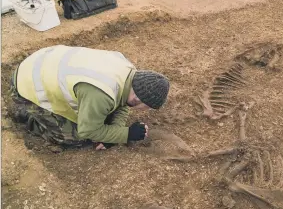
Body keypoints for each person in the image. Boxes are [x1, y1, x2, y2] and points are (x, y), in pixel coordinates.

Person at [9, 45, 170, 150]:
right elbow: (89, 131)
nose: (147, 110)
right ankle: (29, 116)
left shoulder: (130, 73)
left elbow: (123, 103)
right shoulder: (101, 94)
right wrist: (127, 134)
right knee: (77, 137)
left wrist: (118, 131)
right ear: (138, 99)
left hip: (43, 60)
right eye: (148, 106)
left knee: (103, 117)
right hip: (27, 85)